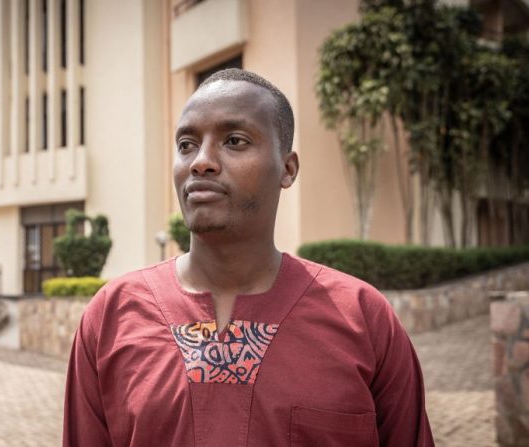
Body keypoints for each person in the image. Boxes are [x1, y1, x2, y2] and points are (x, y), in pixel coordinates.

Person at [63, 68, 434, 446]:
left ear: (287, 169)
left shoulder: (363, 319)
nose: (200, 162)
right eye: (187, 144)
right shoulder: (112, 316)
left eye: (234, 140)